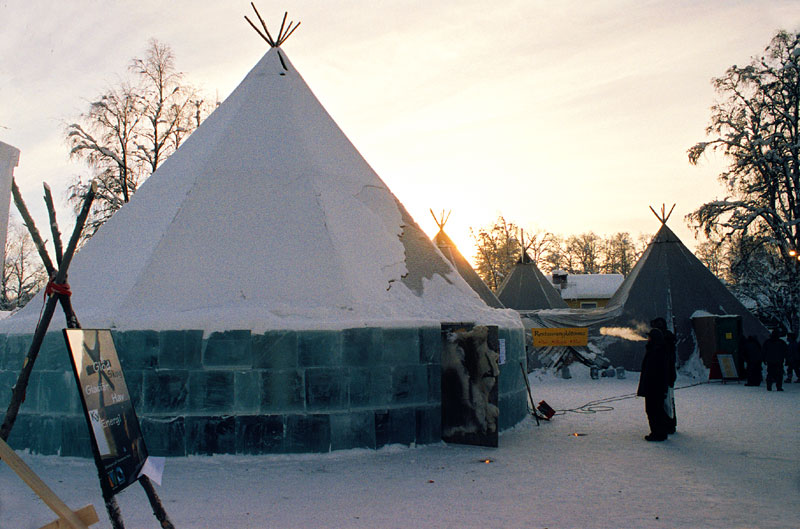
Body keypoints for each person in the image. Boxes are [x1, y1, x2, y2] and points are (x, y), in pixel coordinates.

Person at [637, 327, 670, 441]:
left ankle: (657, 433)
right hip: (655, 387)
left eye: (649, 337)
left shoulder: (656, 351)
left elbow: (655, 372)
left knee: (653, 411)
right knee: (656, 410)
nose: (648, 339)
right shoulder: (657, 350)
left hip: (654, 388)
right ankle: (660, 432)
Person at [650, 317, 677, 434]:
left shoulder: (663, 342)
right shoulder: (668, 339)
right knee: (669, 402)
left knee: (664, 403)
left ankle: (667, 426)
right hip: (668, 374)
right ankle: (670, 425)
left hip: (664, 375)